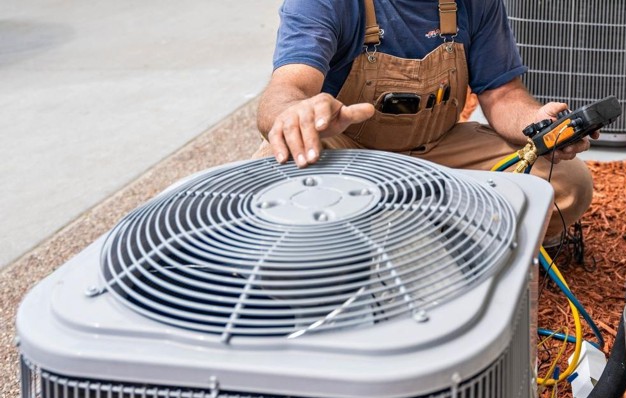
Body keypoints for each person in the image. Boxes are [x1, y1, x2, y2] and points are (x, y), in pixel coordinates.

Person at [253, 0, 594, 238]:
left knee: (567, 182)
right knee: (275, 165)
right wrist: (291, 113)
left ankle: (416, 234)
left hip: (437, 149)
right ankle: (426, 232)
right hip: (350, 151)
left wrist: (538, 124)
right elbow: (288, 85)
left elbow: (502, 93)